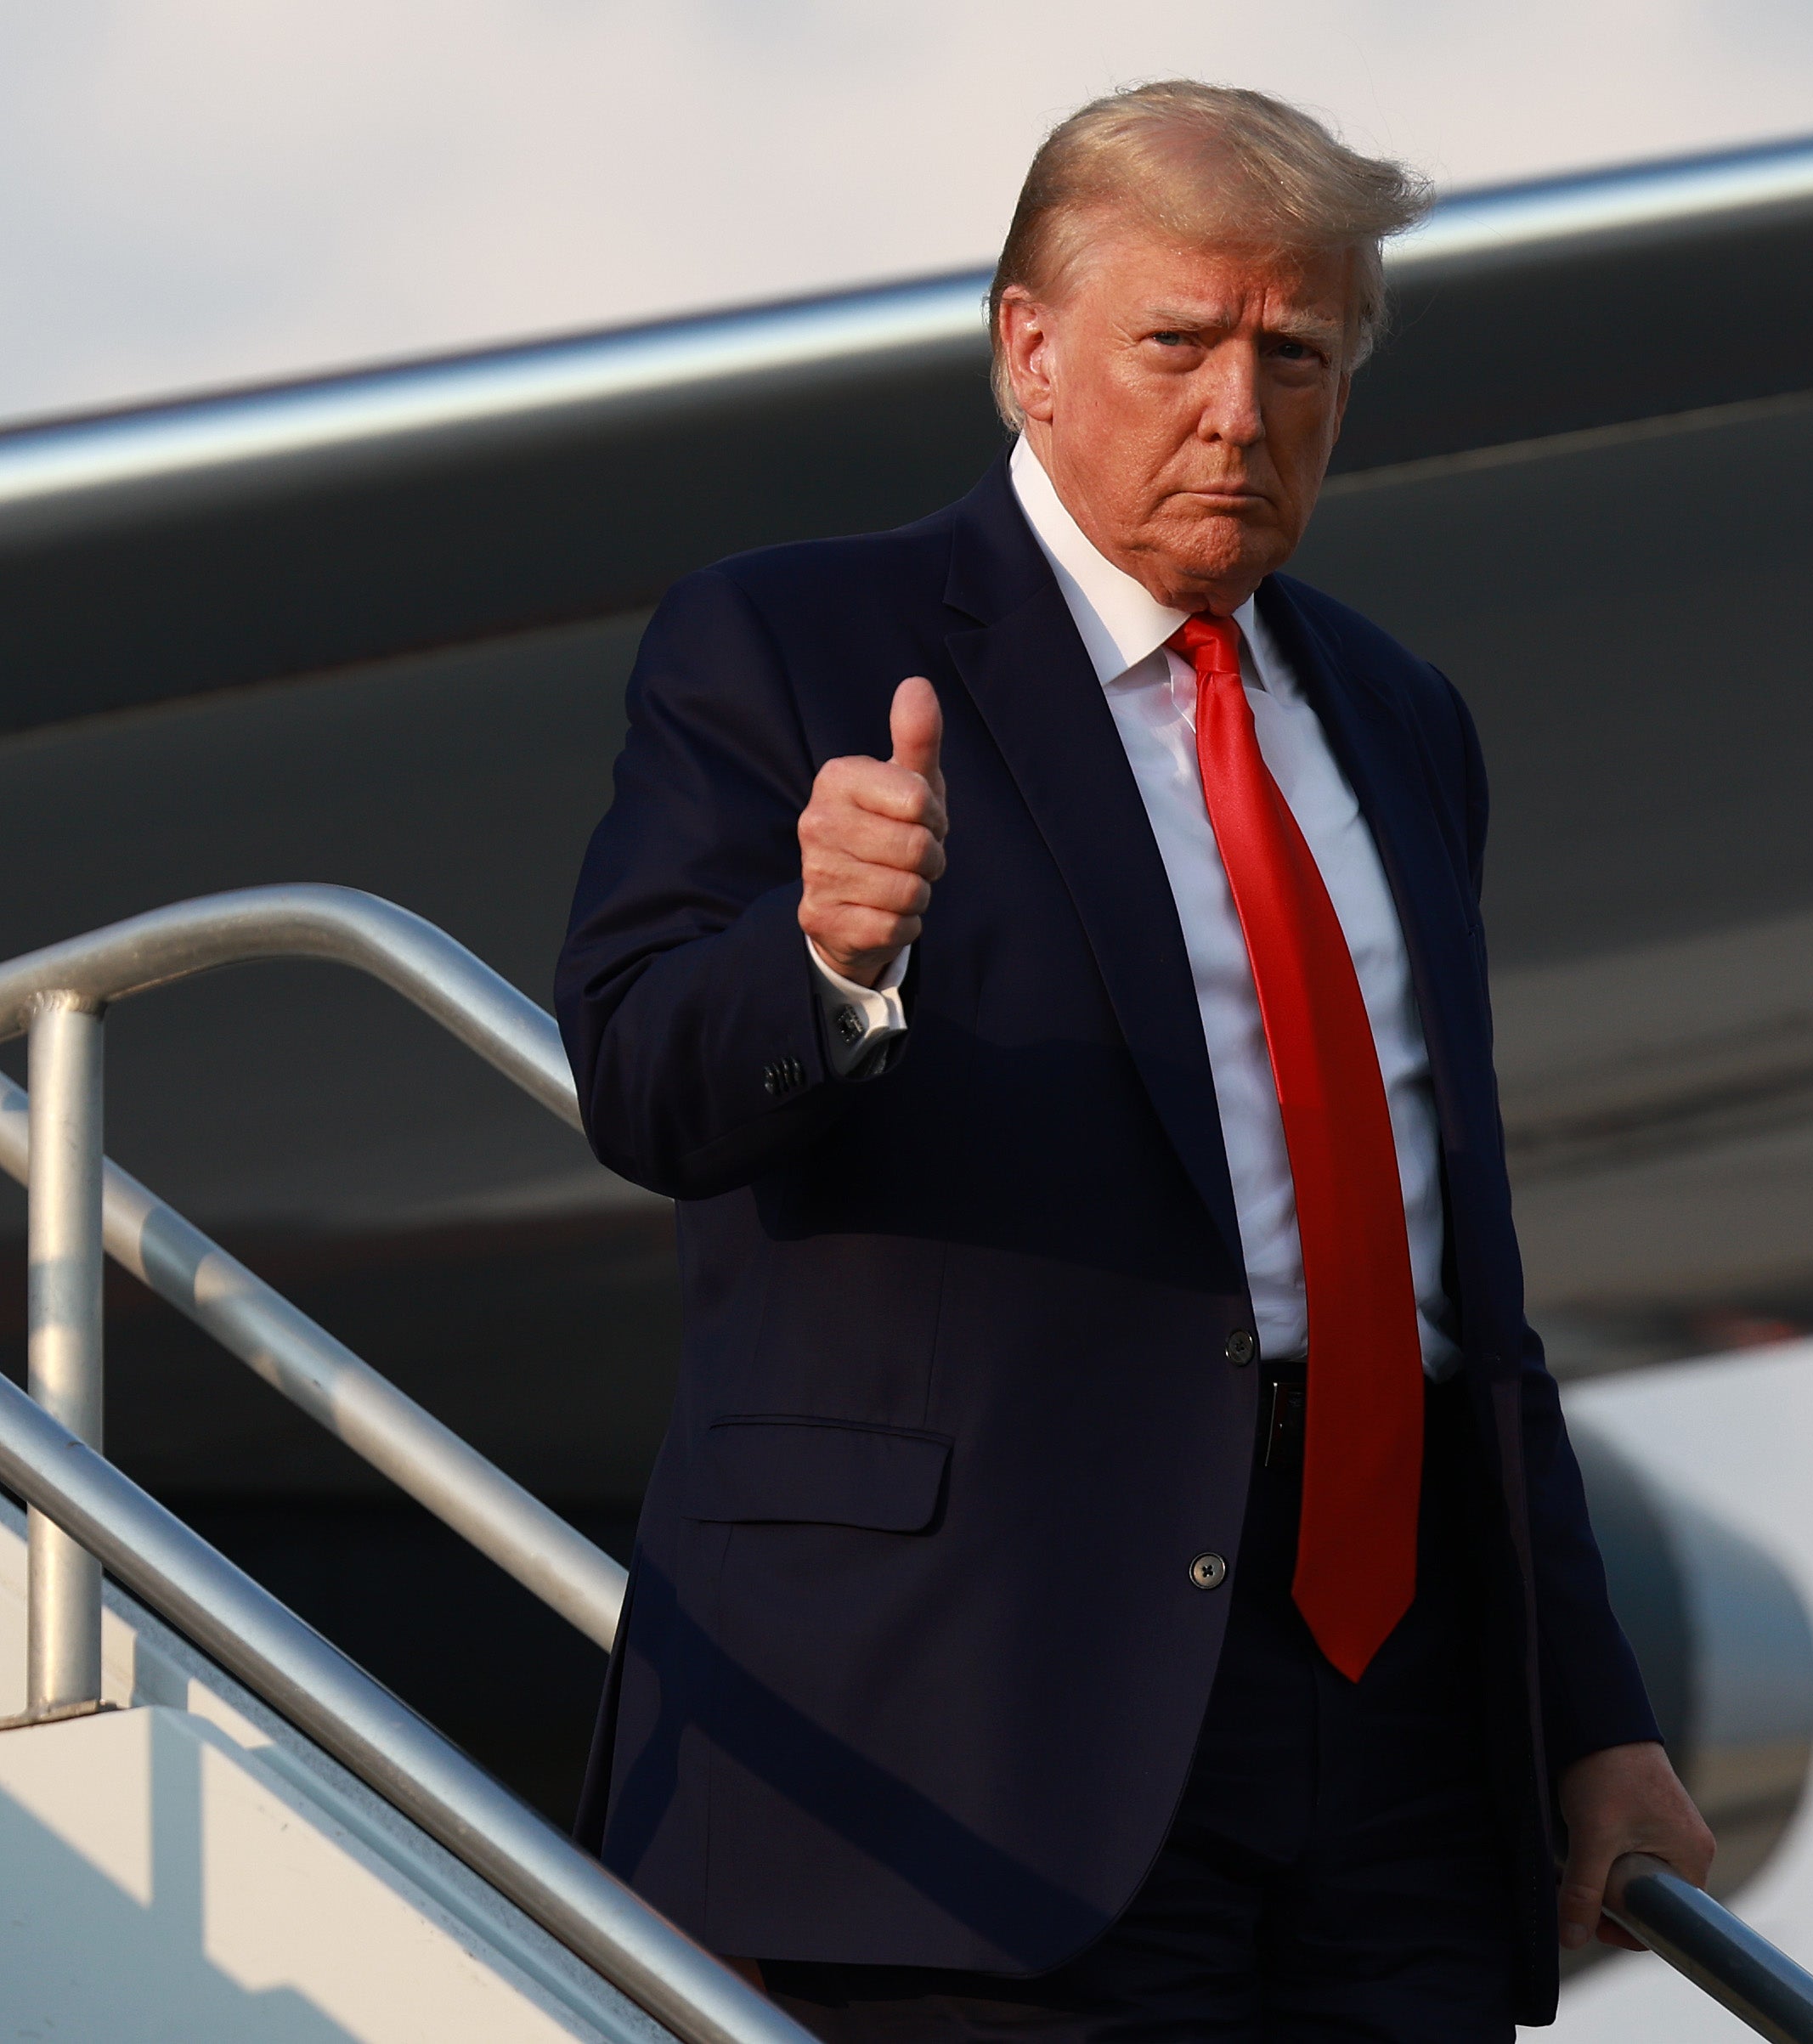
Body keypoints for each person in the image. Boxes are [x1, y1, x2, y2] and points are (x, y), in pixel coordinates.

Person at [556, 80, 1714, 2041]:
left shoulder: (1396, 716)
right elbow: (643, 1082)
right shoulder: (788, 638)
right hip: (981, 1724)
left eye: (1297, 356)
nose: (1237, 415)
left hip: (1399, 1725)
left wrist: (1588, 1716)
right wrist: (826, 956)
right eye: (1177, 343)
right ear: (1029, 349)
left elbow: (1451, 1276)